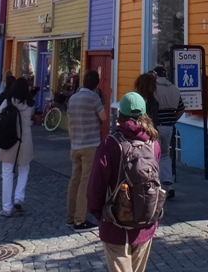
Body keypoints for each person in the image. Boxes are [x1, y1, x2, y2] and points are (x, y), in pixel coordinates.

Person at [87, 92, 162, 272]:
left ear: (120, 115)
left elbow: (96, 185)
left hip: (115, 223)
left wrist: (99, 214)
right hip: (145, 222)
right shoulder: (153, 144)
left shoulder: (111, 144)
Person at [66, 69, 107, 231]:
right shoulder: (93, 97)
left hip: (75, 144)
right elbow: (103, 117)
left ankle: (70, 216)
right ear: (96, 84)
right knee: (85, 182)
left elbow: (69, 123)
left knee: (74, 180)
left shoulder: (73, 98)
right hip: (90, 144)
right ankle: (79, 220)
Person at [0, 77, 34, 217]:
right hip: (25, 140)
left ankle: (6, 208)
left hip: (9, 140)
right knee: (24, 170)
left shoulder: (8, 102)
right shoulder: (30, 104)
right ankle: (19, 198)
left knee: (7, 173)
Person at [152, 65, 184, 199]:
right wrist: (172, 120)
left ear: (155, 75)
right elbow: (181, 109)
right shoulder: (175, 89)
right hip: (169, 126)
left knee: (153, 155)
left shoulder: (152, 89)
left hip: (155, 125)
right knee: (165, 154)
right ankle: (169, 184)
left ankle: (155, 185)